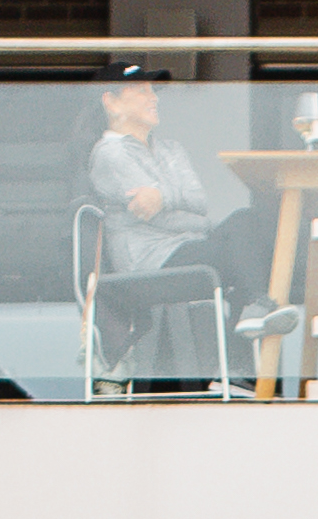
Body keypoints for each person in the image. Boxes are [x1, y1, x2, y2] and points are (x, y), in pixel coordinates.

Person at [77, 64, 277, 357]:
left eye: (153, 91)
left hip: (185, 247)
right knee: (241, 252)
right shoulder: (110, 155)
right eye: (141, 91)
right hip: (151, 261)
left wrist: (162, 197)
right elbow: (161, 218)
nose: (153, 98)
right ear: (112, 102)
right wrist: (188, 214)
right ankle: (248, 328)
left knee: (246, 221)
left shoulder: (171, 149)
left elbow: (198, 201)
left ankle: (254, 310)